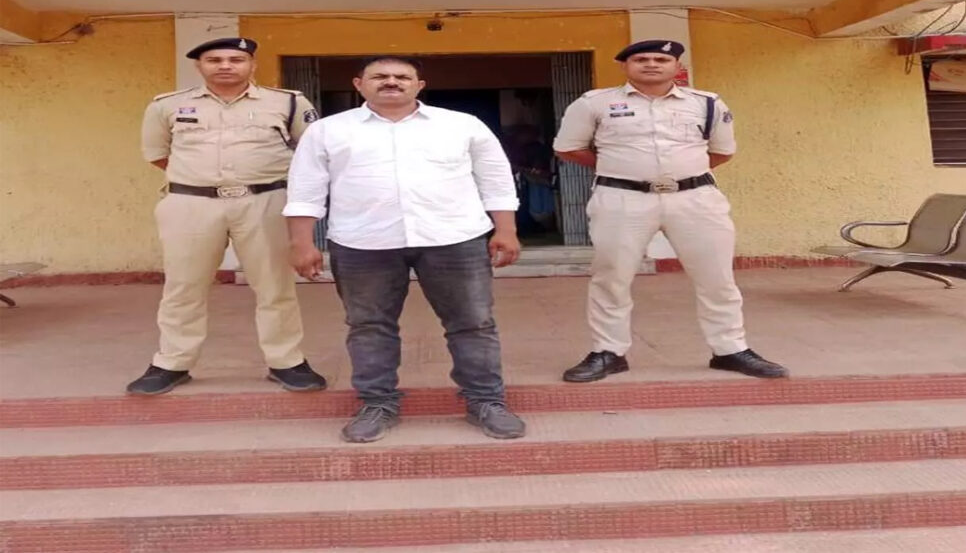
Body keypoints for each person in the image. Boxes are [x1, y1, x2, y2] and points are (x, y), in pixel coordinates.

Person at [284, 56, 527, 443]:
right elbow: (305, 189)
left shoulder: (461, 125)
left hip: (454, 238)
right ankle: (377, 403)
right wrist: (302, 243)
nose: (391, 82)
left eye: (402, 76)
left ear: (419, 85)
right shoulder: (328, 131)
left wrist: (506, 230)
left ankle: (486, 401)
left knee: (473, 324)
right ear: (359, 84)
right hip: (363, 242)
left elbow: (496, 180)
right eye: (380, 76)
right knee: (369, 327)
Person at [553, 39, 788, 383]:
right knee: (611, 277)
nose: (651, 64)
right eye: (641, 59)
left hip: (695, 198)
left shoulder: (707, 103)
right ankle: (608, 352)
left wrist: (680, 173)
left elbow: (722, 152)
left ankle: (730, 349)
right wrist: (622, 168)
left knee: (717, 277)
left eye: (661, 59)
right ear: (625, 66)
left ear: (677, 67)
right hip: (621, 198)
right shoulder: (594, 103)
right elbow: (568, 148)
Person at [128, 37, 326, 396]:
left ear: (252, 65)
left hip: (266, 201)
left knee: (275, 287)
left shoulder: (288, 102)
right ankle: (172, 362)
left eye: (236, 59)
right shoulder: (167, 105)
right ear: (199, 66)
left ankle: (286, 361)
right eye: (214, 59)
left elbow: (313, 152)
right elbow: (157, 154)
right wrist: (204, 180)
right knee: (183, 287)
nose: (225, 66)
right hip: (191, 204)